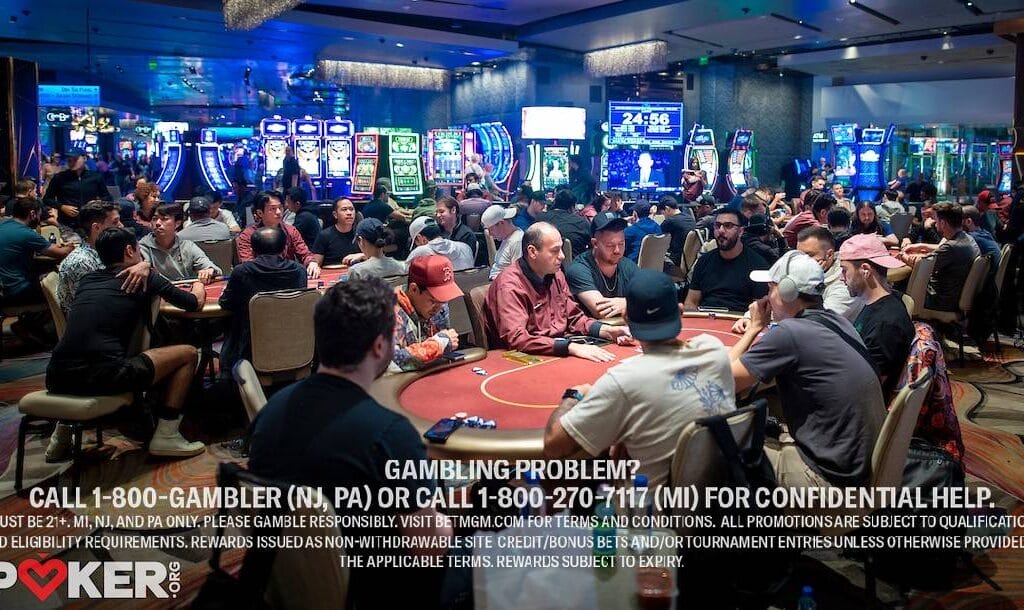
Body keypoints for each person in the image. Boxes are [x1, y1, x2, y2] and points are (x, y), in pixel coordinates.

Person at [248, 277, 453, 610]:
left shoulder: (271, 411)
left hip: (284, 582)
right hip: (372, 591)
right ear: (378, 347)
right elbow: (429, 547)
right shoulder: (389, 433)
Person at [543, 270, 735, 488]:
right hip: (723, 498)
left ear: (626, 319)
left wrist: (575, 395)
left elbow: (553, 446)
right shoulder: (713, 349)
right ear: (680, 312)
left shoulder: (624, 380)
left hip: (652, 515)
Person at [730, 250, 886, 490]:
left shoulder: (790, 333)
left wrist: (754, 328)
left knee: (723, 446)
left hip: (829, 481)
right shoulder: (837, 320)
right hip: (860, 467)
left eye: (771, 288)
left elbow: (724, 381)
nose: (766, 297)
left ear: (787, 291)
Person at [46, 227, 206, 459]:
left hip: (56, 376)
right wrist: (199, 284)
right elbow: (192, 303)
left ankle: (60, 439)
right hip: (105, 376)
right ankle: (167, 434)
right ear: (130, 250)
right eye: (139, 250)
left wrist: (145, 266)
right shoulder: (145, 279)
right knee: (189, 353)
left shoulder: (87, 280)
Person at [485, 222, 632, 361]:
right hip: (524, 358)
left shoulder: (556, 274)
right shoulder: (510, 285)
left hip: (560, 347)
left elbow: (574, 318)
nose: (562, 255)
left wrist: (606, 330)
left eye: (561, 249)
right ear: (532, 252)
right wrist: (570, 347)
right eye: (555, 250)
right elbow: (517, 339)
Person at [218, 226, 307, 376]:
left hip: (250, 348)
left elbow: (226, 303)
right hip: (295, 345)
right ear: (285, 248)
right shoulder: (298, 271)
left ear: (253, 250)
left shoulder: (242, 271)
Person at [838, 234, 915, 399]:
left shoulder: (885, 325)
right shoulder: (885, 301)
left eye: (844, 270)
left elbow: (865, 390)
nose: (841, 277)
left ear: (865, 270)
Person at [56, 201, 149, 315]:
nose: (121, 226)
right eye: (115, 222)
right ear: (97, 228)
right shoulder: (81, 262)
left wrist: (144, 265)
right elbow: (95, 307)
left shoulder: (107, 252)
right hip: (93, 326)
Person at [684, 208, 769, 312]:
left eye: (728, 226)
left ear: (740, 231)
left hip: (740, 321)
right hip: (705, 318)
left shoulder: (758, 265)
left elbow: (760, 310)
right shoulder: (704, 261)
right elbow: (691, 301)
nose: (721, 231)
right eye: (717, 225)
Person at [900, 203, 980, 312]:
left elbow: (921, 265)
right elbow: (940, 249)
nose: (935, 224)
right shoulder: (967, 239)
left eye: (936, 220)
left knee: (899, 286)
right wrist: (921, 246)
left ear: (942, 223)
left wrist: (902, 255)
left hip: (941, 301)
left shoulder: (951, 247)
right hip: (954, 296)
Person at [392, 255, 463, 372]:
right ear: (414, 289)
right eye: (433, 300)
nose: (439, 308)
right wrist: (438, 344)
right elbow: (391, 362)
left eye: (444, 300)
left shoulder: (440, 305)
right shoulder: (389, 311)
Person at [0, 197, 74, 308]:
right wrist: (71, 246)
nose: (40, 219)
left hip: (4, 288)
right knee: (64, 290)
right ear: (32, 213)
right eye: (39, 215)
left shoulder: (4, 225)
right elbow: (62, 253)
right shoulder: (26, 233)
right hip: (17, 291)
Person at [566, 212, 638, 319]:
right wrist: (633, 304)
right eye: (610, 245)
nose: (617, 250)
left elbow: (654, 299)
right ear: (595, 244)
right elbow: (601, 312)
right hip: (594, 332)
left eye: (621, 244)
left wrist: (625, 303)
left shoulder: (627, 265)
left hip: (624, 328)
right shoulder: (579, 269)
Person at [237, 191, 321, 279]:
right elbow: (248, 263)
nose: (278, 212)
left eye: (280, 207)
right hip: (260, 278)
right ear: (260, 213)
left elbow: (304, 253)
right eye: (272, 209)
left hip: (287, 277)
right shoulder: (248, 235)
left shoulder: (290, 230)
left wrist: (312, 262)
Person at [138, 203, 221, 283]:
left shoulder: (188, 246)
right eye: (155, 219)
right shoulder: (142, 247)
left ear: (177, 223)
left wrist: (209, 270)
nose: (158, 223)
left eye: (164, 219)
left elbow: (213, 269)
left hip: (185, 292)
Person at [796, 226, 861, 320]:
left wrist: (810, 285)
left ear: (829, 255)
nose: (802, 261)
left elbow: (818, 321)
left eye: (809, 255)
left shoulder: (845, 283)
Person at [41, 149, 112, 228]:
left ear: (84, 159)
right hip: (67, 222)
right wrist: (62, 207)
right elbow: (47, 199)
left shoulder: (95, 177)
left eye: (75, 159)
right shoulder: (60, 177)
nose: (72, 162)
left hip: (90, 221)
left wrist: (98, 202)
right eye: (69, 160)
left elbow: (107, 197)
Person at [406, 215, 474, 271]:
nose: (417, 246)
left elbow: (405, 275)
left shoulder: (421, 252)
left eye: (416, 243)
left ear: (420, 238)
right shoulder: (465, 247)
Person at [538, 189, 591, 258]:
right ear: (572, 207)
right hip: (575, 266)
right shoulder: (582, 223)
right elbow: (592, 245)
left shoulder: (540, 218)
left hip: (543, 263)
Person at [311, 197, 360, 266]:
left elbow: (374, 258)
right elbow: (316, 264)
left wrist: (361, 255)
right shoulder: (324, 235)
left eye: (351, 209)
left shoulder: (361, 234)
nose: (349, 213)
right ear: (335, 214)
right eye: (344, 209)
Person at [481, 204, 523, 280]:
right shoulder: (507, 237)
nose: (490, 234)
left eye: (491, 229)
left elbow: (518, 276)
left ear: (501, 223)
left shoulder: (517, 241)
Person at [657, 195, 695, 265]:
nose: (664, 216)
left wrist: (652, 215)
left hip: (675, 261)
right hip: (691, 260)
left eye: (663, 213)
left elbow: (656, 239)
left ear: (667, 209)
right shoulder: (690, 218)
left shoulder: (669, 221)